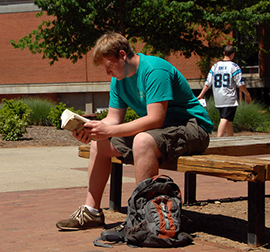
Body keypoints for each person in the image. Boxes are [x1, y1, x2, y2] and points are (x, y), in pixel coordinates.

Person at [56, 32, 214, 230]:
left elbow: (156, 118)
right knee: (100, 142)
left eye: (108, 66)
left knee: (142, 141)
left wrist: (108, 129)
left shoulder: (154, 70)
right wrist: (92, 130)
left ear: (122, 55)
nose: (107, 73)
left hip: (193, 127)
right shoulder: (119, 79)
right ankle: (92, 211)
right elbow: (113, 119)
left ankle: (143, 217)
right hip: (161, 131)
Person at [197, 45, 252, 137]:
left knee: (228, 120)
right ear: (233, 54)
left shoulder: (215, 66)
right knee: (224, 119)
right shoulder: (234, 66)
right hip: (229, 98)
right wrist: (247, 94)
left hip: (218, 97)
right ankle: (219, 139)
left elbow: (208, 82)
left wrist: (201, 94)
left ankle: (231, 139)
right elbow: (240, 84)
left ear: (224, 53)